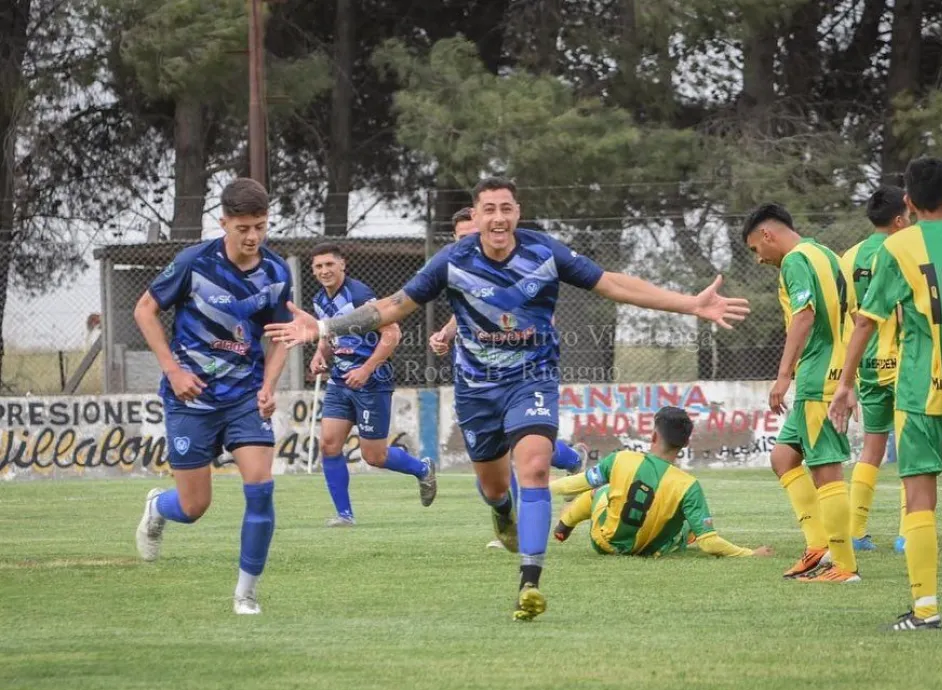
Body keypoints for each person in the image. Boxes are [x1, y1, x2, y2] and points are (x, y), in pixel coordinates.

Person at [265, 176, 750, 620]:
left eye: (507, 208)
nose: (498, 218)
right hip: (477, 392)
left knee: (534, 465)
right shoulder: (452, 261)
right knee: (495, 490)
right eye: (489, 209)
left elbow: (614, 284)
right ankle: (501, 513)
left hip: (532, 379)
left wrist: (689, 303)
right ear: (475, 217)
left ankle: (529, 581)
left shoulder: (544, 251)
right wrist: (325, 327)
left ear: (517, 212)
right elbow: (393, 306)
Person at [829, 157, 942, 630]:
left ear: (908, 201)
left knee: (919, 497)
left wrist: (845, 384)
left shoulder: (896, 248)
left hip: (918, 388)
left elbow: (866, 319)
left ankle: (925, 610)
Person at [133, 178, 291, 615]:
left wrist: (268, 385)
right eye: (243, 227)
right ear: (224, 223)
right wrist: (173, 369)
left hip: (244, 396)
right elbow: (145, 309)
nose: (253, 236)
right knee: (194, 505)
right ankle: (158, 507)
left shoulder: (277, 273)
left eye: (260, 225)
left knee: (260, 488)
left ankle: (246, 594)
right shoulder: (193, 262)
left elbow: (280, 336)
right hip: (192, 398)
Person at [429, 207, 589, 550]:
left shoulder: (521, 273)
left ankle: (515, 532)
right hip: (475, 381)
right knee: (490, 475)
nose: (471, 243)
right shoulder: (458, 268)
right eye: (463, 238)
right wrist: (445, 333)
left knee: (521, 452)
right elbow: (467, 313)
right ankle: (571, 459)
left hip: (520, 376)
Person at [743, 202, 860, 583]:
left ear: (767, 235)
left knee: (826, 470)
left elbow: (804, 316)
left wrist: (782, 376)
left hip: (817, 376)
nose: (759, 259)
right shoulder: (828, 254)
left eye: (755, 249)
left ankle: (844, 565)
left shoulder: (795, 260)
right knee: (783, 458)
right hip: (831, 373)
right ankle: (818, 546)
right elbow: (856, 318)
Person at [309, 242, 437, 527]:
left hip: (371, 384)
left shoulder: (359, 295)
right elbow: (329, 335)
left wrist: (366, 369)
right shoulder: (320, 299)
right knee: (329, 445)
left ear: (343, 265)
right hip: (340, 382)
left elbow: (392, 332)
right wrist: (320, 354)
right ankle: (344, 515)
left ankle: (422, 468)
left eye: (329, 264)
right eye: (318, 266)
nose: (324, 270)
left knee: (374, 456)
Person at [551, 407, 773, 560]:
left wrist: (537, 486)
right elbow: (709, 543)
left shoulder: (621, 459)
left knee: (601, 490)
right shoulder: (688, 485)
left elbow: (574, 485)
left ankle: (565, 523)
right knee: (686, 522)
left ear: (653, 436)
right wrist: (751, 553)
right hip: (649, 551)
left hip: (604, 544)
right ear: (686, 443)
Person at [839, 186, 911, 552]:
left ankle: (856, 531)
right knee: (911, 451)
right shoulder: (903, 250)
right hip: (903, 362)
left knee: (872, 448)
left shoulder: (849, 257)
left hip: (866, 364)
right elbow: (901, 308)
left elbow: (852, 315)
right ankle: (905, 535)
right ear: (899, 219)